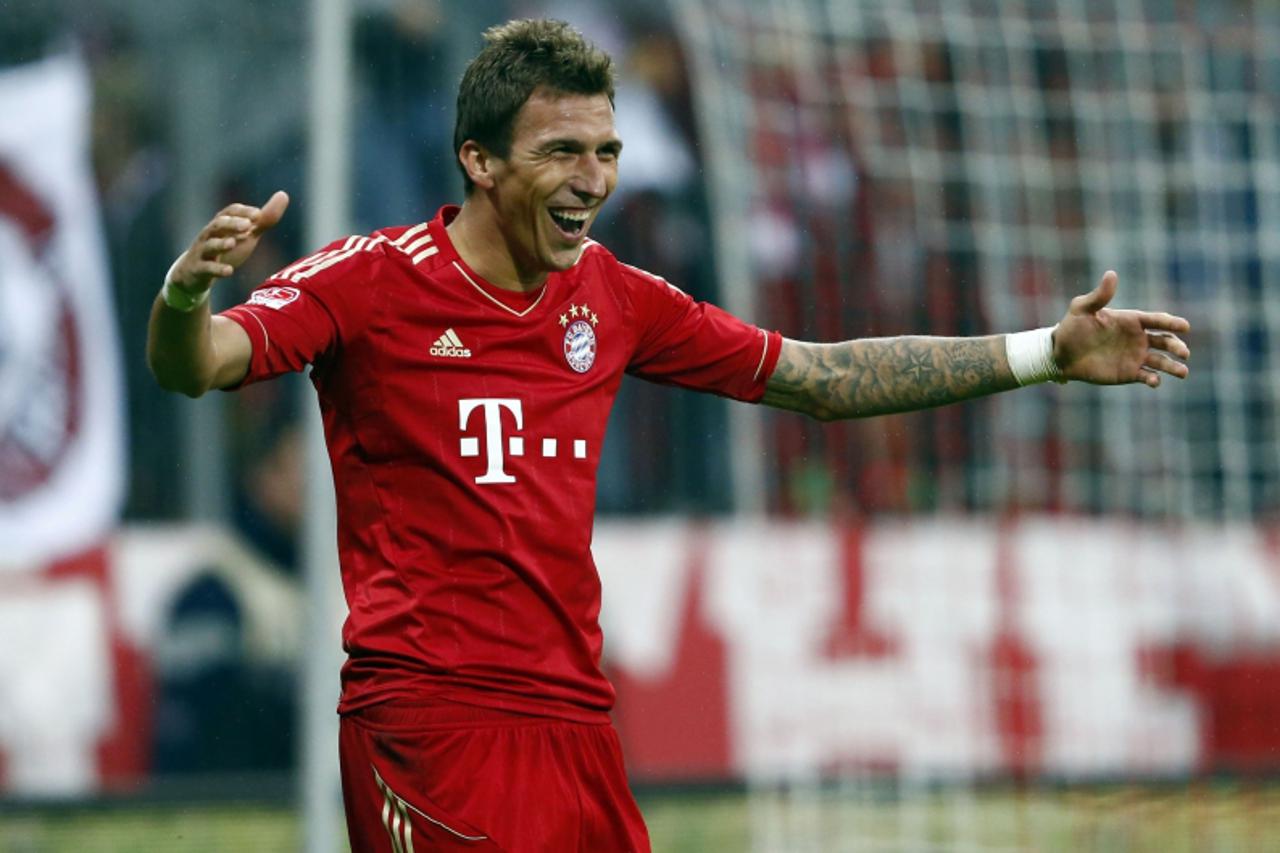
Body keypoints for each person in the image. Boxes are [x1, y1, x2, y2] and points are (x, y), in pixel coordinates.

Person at [146, 18, 1191, 853]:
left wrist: (1039, 353)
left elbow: (816, 377)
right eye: (560, 151)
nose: (592, 178)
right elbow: (196, 368)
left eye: (605, 151)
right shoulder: (367, 282)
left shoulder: (615, 296)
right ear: (478, 159)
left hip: (575, 726)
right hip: (428, 723)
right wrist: (184, 297)